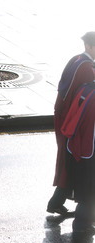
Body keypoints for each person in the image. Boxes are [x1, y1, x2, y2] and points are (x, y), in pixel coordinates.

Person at [47, 32, 95, 215]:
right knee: (73, 162)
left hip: (64, 118)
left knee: (67, 162)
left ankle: (56, 203)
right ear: (89, 47)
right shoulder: (86, 68)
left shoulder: (76, 60)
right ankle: (61, 204)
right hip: (73, 123)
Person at [61, 80, 95, 233]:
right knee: (89, 192)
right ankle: (82, 224)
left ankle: (83, 222)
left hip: (77, 147)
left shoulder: (85, 88)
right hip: (89, 151)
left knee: (84, 189)